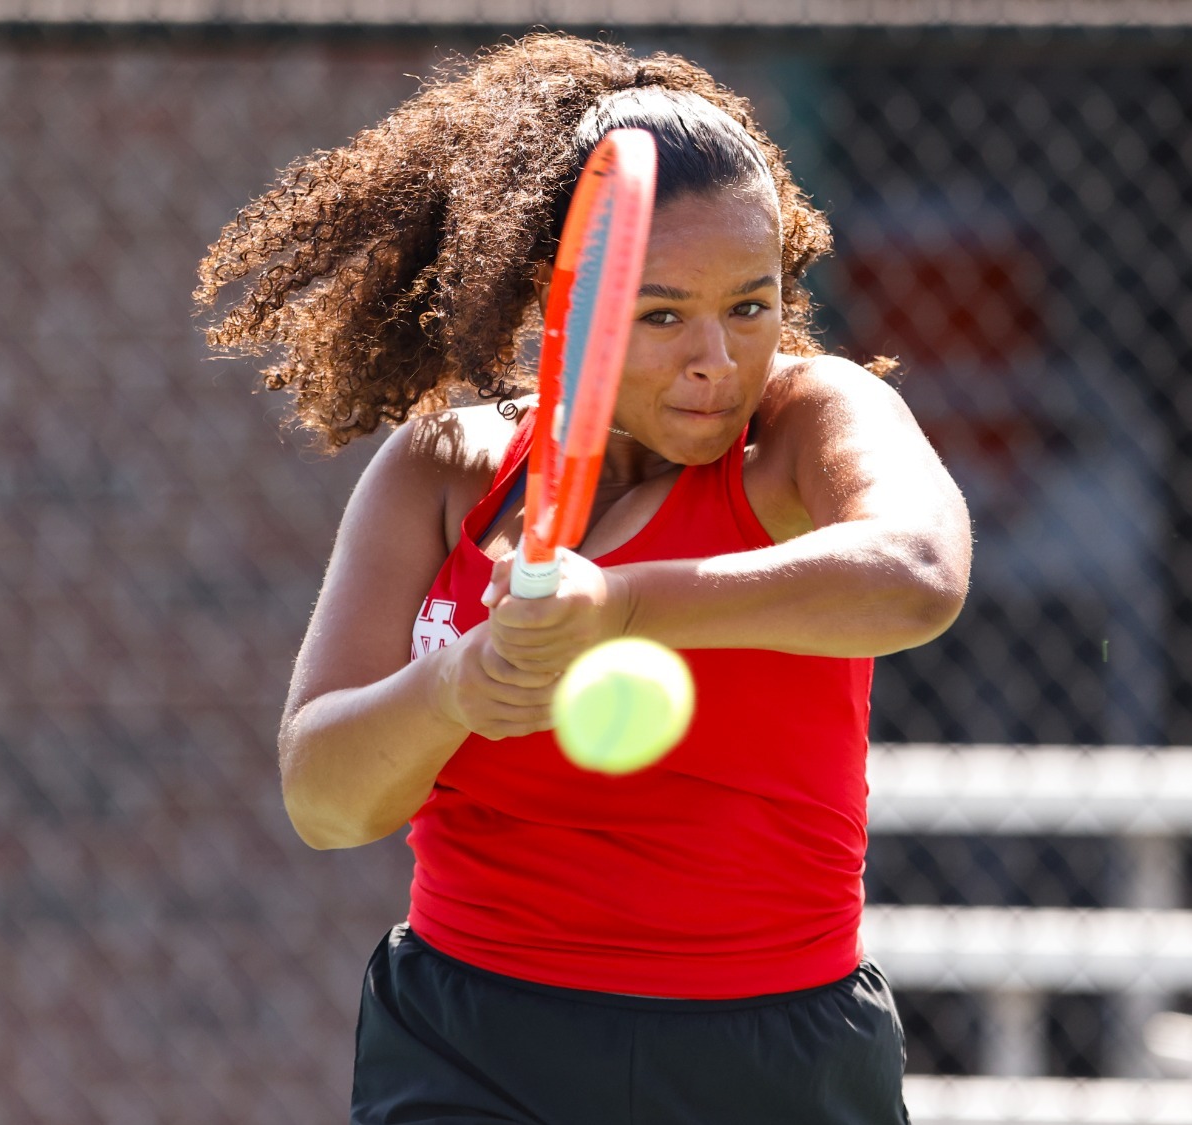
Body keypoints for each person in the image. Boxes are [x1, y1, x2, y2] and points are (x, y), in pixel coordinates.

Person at [198, 33, 970, 1125]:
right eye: (661, 315)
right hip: (470, 1046)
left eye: (749, 305)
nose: (716, 356)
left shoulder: (806, 423)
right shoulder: (441, 473)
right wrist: (459, 687)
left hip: (774, 1053)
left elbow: (917, 575)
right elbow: (324, 800)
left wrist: (622, 606)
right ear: (562, 304)